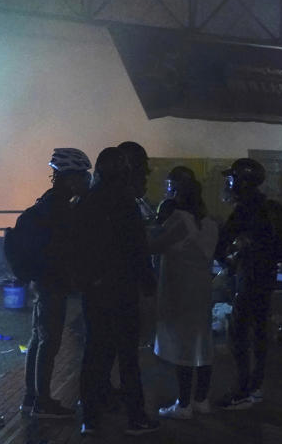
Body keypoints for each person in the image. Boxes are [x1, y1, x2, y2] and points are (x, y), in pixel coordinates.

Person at [78, 147, 159, 436]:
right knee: (127, 356)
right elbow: (138, 248)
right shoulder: (125, 202)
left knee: (94, 352)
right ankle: (136, 418)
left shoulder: (87, 201)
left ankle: (89, 417)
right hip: (122, 290)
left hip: (94, 291)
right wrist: (148, 284)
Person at [20, 148, 92, 419]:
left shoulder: (49, 202)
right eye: (81, 175)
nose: (86, 180)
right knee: (49, 342)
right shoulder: (60, 207)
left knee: (39, 338)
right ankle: (42, 402)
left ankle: (31, 398)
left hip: (43, 281)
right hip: (52, 283)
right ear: (69, 178)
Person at [150, 166, 218, 419]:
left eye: (169, 187)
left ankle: (183, 404)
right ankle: (201, 399)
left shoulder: (179, 220)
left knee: (183, 348)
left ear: (177, 190)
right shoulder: (208, 223)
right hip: (201, 289)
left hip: (179, 290)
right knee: (202, 344)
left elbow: (154, 245)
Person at [215, 158, 282, 410]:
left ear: (242, 182)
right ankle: (256, 385)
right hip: (267, 275)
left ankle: (242, 389)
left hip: (250, 276)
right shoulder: (267, 206)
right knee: (260, 330)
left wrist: (229, 261)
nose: (229, 184)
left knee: (239, 332)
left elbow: (220, 244)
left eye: (232, 179)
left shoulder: (245, 209)